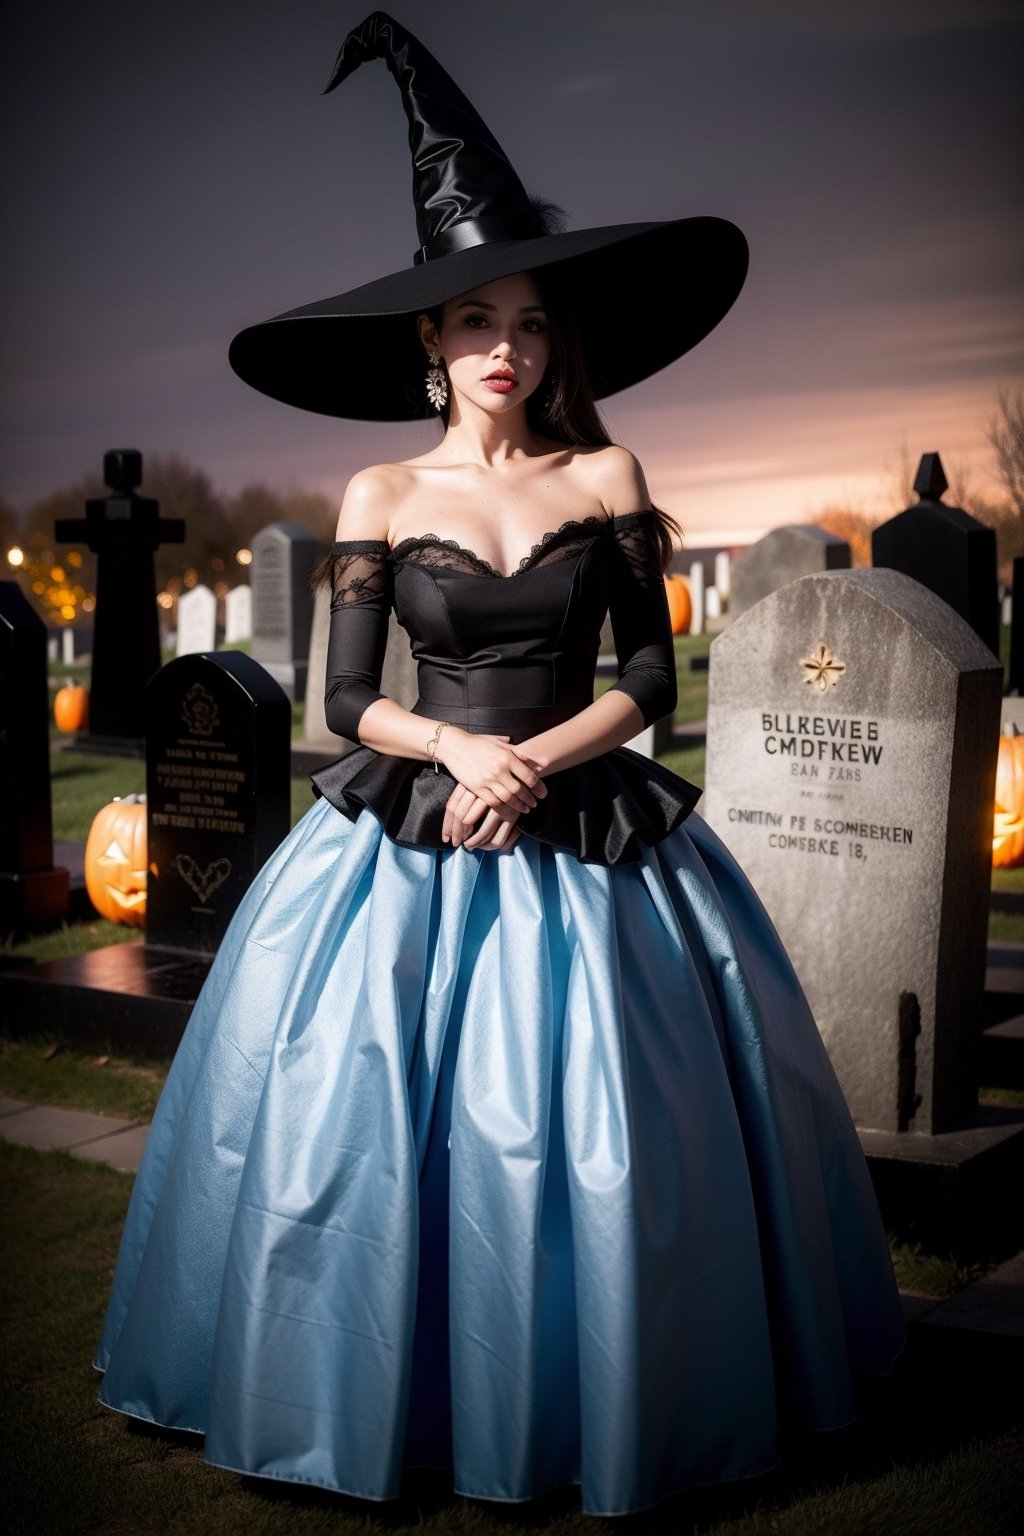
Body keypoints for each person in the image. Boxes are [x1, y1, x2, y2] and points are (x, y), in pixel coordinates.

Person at [95, 13, 905, 1517]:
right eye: (479, 324)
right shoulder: (381, 486)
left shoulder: (609, 474)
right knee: (371, 1134)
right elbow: (345, 702)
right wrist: (463, 747)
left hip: (592, 819)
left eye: (531, 324)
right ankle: (367, 1392)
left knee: (606, 1136)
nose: (508, 351)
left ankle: (604, 1386)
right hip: (412, 814)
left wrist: (529, 762)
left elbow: (651, 683)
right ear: (431, 339)